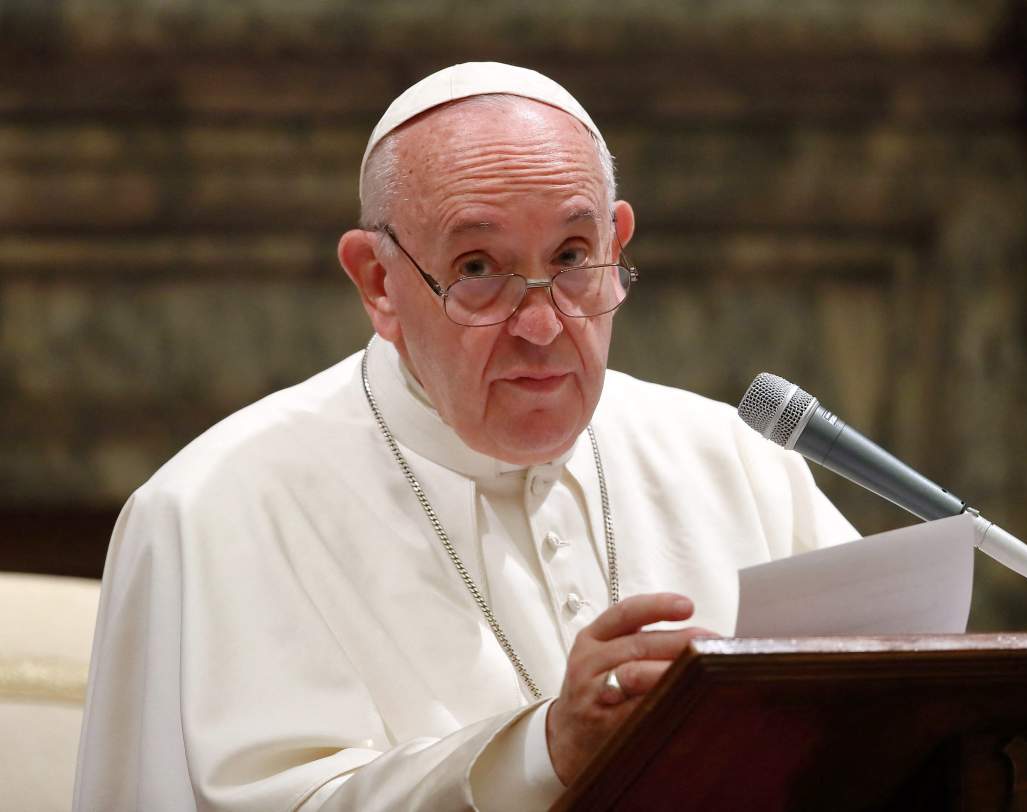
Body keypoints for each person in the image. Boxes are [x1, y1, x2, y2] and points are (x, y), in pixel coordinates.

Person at [74, 62, 856, 811]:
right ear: (378, 282)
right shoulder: (211, 509)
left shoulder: (736, 459)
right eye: (479, 267)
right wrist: (542, 754)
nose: (544, 326)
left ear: (619, 246)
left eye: (574, 257)